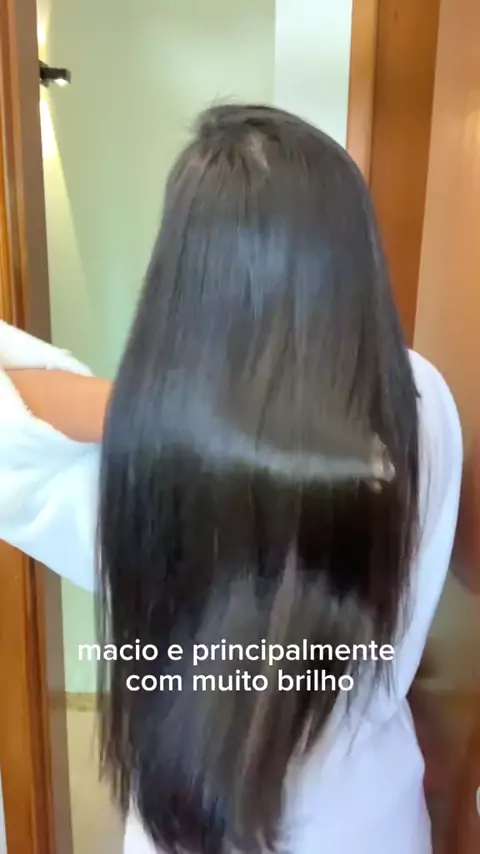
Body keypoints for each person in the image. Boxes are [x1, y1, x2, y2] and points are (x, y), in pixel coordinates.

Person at [0, 105, 462, 854]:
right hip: (375, 822)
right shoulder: (421, 398)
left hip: (196, 831)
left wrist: (160, 408)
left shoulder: (150, 482)